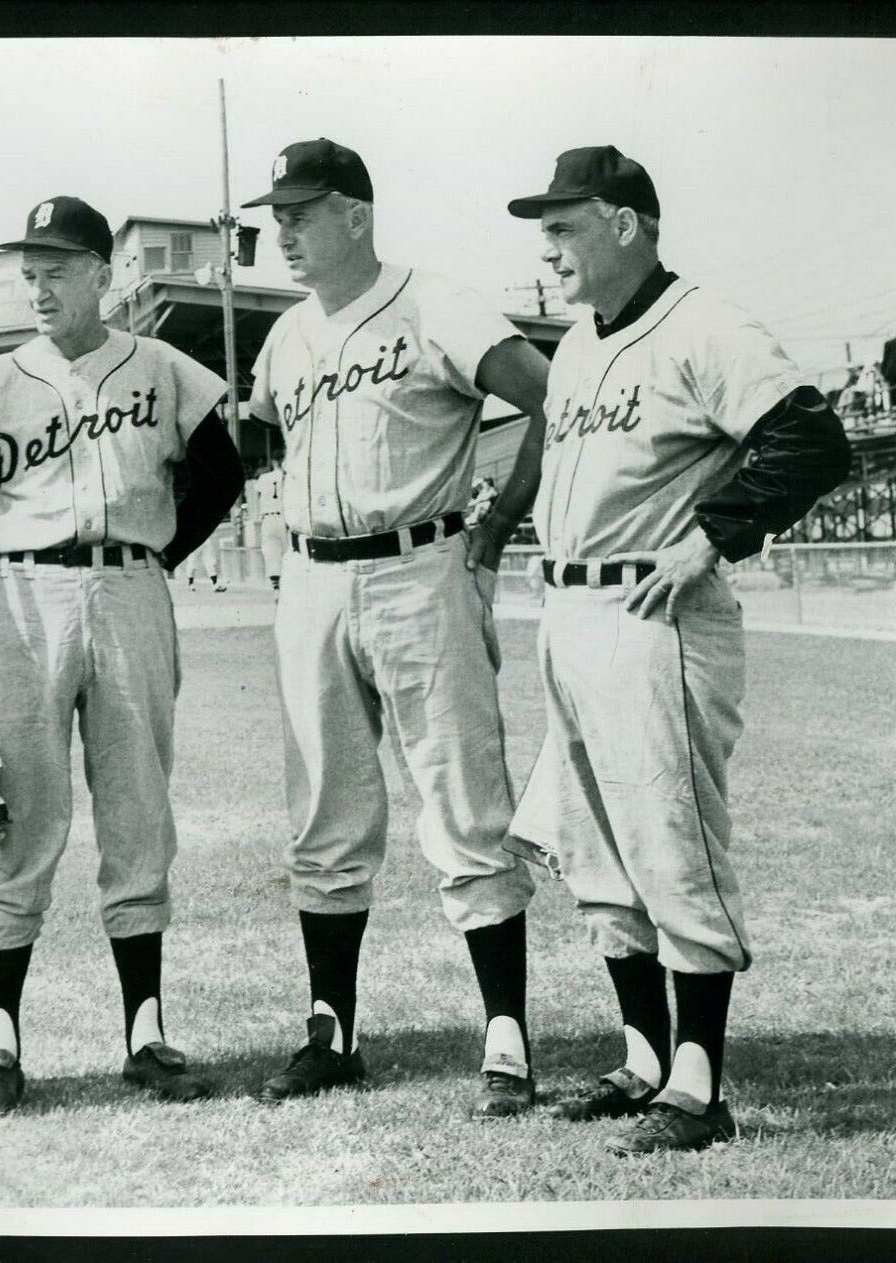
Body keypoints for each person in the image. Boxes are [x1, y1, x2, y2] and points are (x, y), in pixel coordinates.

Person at [505, 145, 851, 1153]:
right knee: (597, 854)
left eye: (566, 225)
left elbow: (811, 440)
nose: (549, 245)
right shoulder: (576, 344)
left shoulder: (704, 326)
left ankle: (698, 1090)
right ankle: (645, 1060)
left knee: (671, 844)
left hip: (656, 618)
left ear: (624, 224)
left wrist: (708, 537)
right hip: (571, 618)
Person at [240, 138, 554, 1116]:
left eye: (300, 211)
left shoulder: (435, 302)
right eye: (276, 214)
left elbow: (552, 394)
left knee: (464, 804)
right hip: (314, 581)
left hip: (423, 566)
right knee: (325, 812)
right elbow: (256, 440)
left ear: (355, 214)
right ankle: (332, 1031)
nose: (281, 230)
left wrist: (499, 525)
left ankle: (505, 1036)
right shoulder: (286, 336)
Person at [0, 196, 244, 1114]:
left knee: (138, 800)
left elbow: (222, 474)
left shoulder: (161, 365)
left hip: (128, 590)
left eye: (58, 268)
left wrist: (158, 554)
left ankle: (144, 1032)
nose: (40, 284)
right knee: (21, 810)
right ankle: (0, 1038)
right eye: (31, 269)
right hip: (17, 595)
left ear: (104, 275)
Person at [251, 457, 285, 591]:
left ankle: (275, 586)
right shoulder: (287, 477)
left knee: (271, 550)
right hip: (283, 517)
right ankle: (286, 583)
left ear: (274, 462)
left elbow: (257, 492)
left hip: (268, 518)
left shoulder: (264, 477)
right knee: (287, 551)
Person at [181, 523, 227, 591]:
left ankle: (215, 584)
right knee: (192, 561)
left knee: (209, 561)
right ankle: (190, 584)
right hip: (194, 539)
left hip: (205, 539)